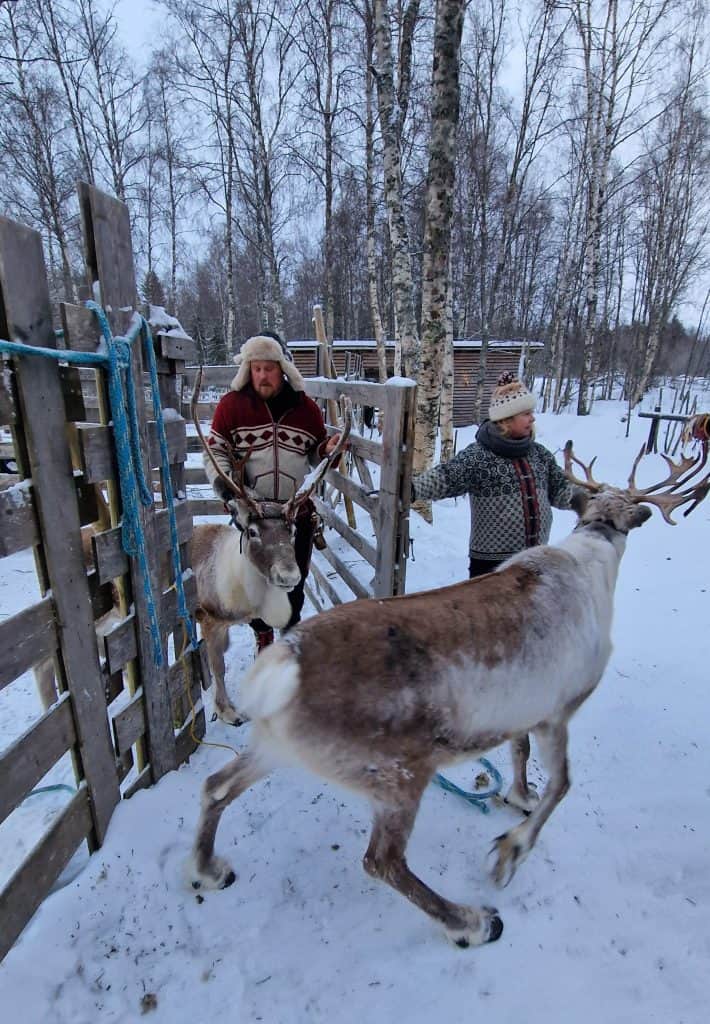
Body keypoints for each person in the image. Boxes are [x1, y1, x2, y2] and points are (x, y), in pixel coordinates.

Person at [204, 330, 341, 652]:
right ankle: (263, 637)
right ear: (247, 370)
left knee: (294, 579)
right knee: (257, 580)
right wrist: (227, 490)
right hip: (256, 514)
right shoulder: (231, 407)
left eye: (269, 368)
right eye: (256, 368)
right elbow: (215, 452)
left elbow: (315, 453)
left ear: (283, 368)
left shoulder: (306, 409)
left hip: (295, 512)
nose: (262, 375)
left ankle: (288, 641)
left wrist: (328, 449)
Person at [412, 371, 579, 578]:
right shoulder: (480, 456)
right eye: (526, 413)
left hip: (534, 562)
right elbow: (446, 477)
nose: (532, 418)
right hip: (491, 567)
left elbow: (560, 490)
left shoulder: (540, 455)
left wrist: (586, 500)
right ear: (507, 419)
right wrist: (411, 489)